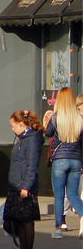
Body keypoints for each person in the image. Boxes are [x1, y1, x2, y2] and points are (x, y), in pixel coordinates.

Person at [42, 86, 82, 240]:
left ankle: (58, 228)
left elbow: (48, 134)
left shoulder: (56, 117)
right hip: (76, 160)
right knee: (72, 194)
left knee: (59, 196)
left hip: (59, 160)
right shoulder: (79, 118)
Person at [3, 110, 43, 249]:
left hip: (24, 187)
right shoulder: (22, 139)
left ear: (22, 124)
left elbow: (32, 165)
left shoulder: (31, 140)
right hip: (16, 185)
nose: (12, 129)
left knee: (26, 221)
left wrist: (26, 185)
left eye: (14, 126)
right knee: (18, 221)